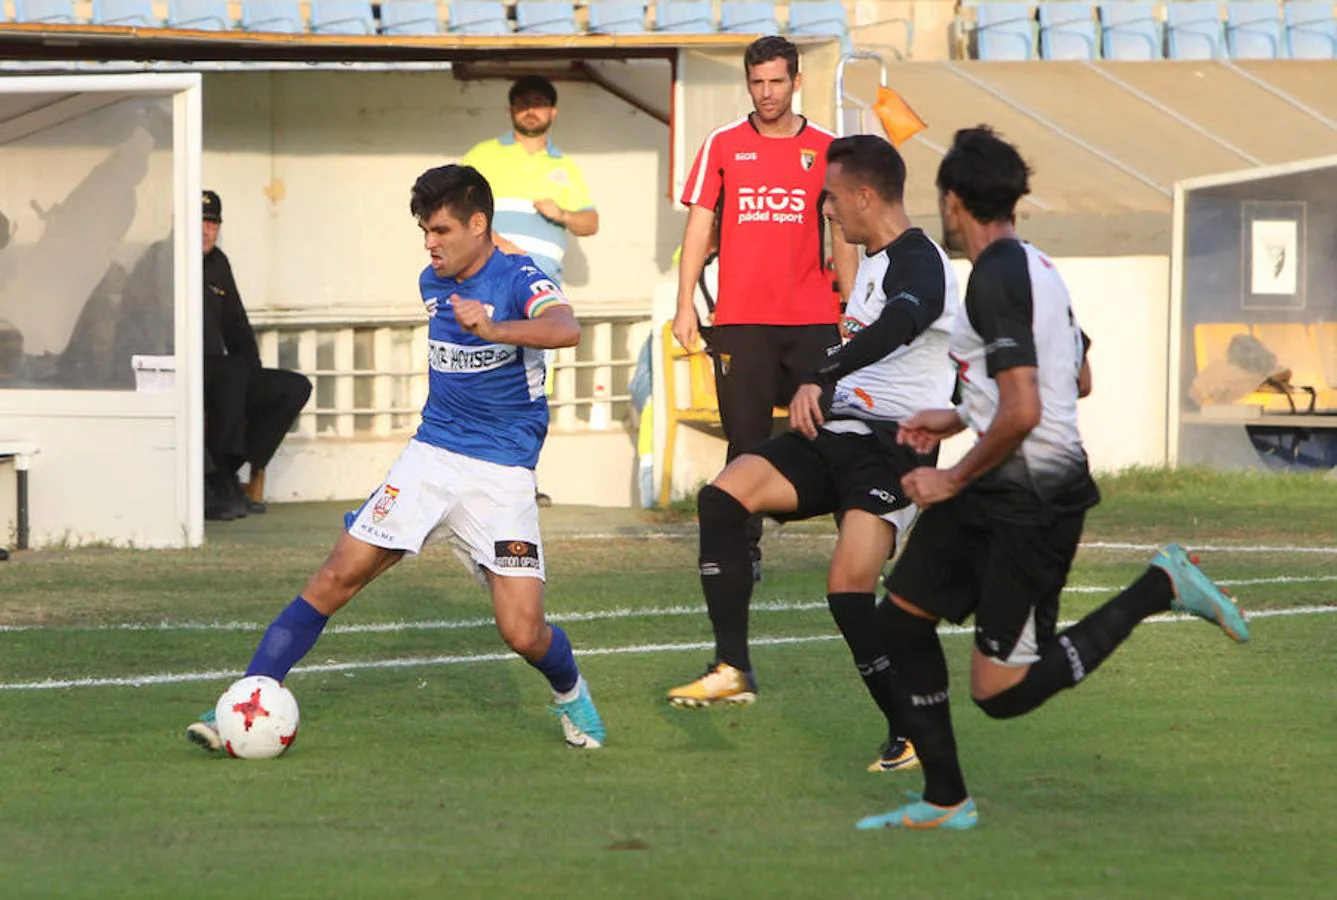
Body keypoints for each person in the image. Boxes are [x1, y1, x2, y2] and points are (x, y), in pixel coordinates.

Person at [855, 126, 1249, 832]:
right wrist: (955, 416)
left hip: (1034, 501)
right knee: (899, 618)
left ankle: (1160, 585)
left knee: (999, 692)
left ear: (952, 202)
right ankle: (946, 800)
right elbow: (1078, 376)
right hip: (999, 483)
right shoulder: (1035, 265)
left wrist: (948, 479)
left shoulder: (995, 276)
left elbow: (1027, 405)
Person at [185, 165, 606, 752]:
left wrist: (496, 328)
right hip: (431, 458)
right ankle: (246, 697)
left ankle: (572, 696)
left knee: (523, 631)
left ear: (477, 225)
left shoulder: (521, 280)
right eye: (423, 231)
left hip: (502, 473)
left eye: (439, 230)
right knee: (336, 575)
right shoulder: (433, 281)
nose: (430, 244)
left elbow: (566, 329)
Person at [666, 135, 961, 776]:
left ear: (862, 195)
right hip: (840, 433)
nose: (823, 210)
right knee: (723, 495)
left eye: (829, 198)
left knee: (847, 592)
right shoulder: (873, 263)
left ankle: (908, 729)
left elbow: (901, 326)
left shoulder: (919, 260)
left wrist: (823, 370)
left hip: (893, 448)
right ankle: (732, 666)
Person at [673, 35, 859, 582]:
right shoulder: (723, 144)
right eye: (757, 82)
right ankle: (742, 551)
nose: (767, 92)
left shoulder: (827, 147)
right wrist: (685, 304)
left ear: (797, 82)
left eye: (777, 81)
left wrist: (850, 305)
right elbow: (699, 223)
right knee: (745, 440)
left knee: (834, 428)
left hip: (812, 318)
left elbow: (841, 232)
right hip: (740, 320)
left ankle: (858, 532)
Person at [461, 75, 599, 508]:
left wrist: (562, 214)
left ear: (553, 112)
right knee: (479, 377)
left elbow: (591, 223)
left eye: (539, 103)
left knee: (532, 385)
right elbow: (459, 209)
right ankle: (471, 478)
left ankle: (522, 479)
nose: (531, 110)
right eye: (522, 103)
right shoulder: (484, 154)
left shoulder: (565, 167)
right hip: (490, 281)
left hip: (542, 293)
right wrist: (498, 244)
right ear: (511, 110)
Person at [201, 190, 312, 521]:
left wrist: (253, 382)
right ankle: (214, 480)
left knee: (292, 388)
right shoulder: (164, 260)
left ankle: (229, 472)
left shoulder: (218, 262)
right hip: (180, 371)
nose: (206, 230)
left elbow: (238, 330)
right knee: (232, 371)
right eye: (199, 222)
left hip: (221, 373)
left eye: (212, 223)